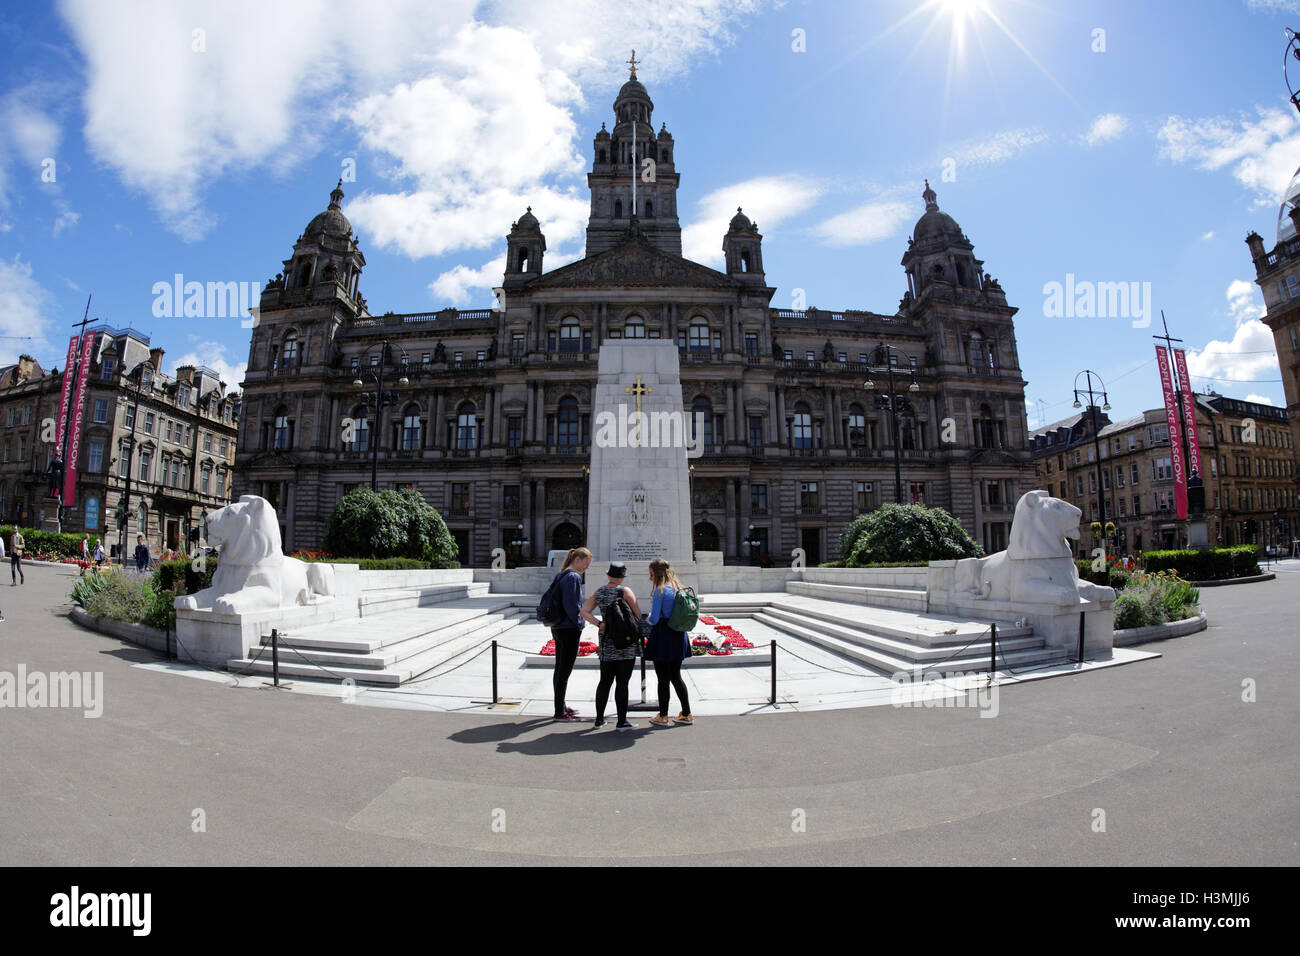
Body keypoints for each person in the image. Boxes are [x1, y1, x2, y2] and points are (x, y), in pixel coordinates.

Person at [581, 561, 643, 731]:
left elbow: (584, 611)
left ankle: (599, 719)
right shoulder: (625, 591)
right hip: (626, 641)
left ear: (608, 575)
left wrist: (599, 624)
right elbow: (637, 614)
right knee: (622, 683)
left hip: (607, 639)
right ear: (621, 577)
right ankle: (621, 721)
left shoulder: (599, 592)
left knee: (605, 681)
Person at [644, 558, 693, 726]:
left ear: (657, 574)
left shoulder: (660, 591)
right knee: (676, 676)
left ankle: (663, 715)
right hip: (678, 635)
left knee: (663, 678)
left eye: (651, 574)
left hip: (663, 635)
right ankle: (686, 713)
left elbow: (655, 618)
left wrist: (648, 619)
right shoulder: (677, 588)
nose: (650, 578)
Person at [550, 546, 592, 721]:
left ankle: (560, 705)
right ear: (577, 560)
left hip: (558, 626)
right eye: (586, 563)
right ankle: (559, 711)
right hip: (569, 628)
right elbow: (572, 606)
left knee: (559, 668)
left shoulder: (562, 574)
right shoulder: (573, 576)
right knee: (564, 670)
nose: (587, 568)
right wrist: (580, 623)